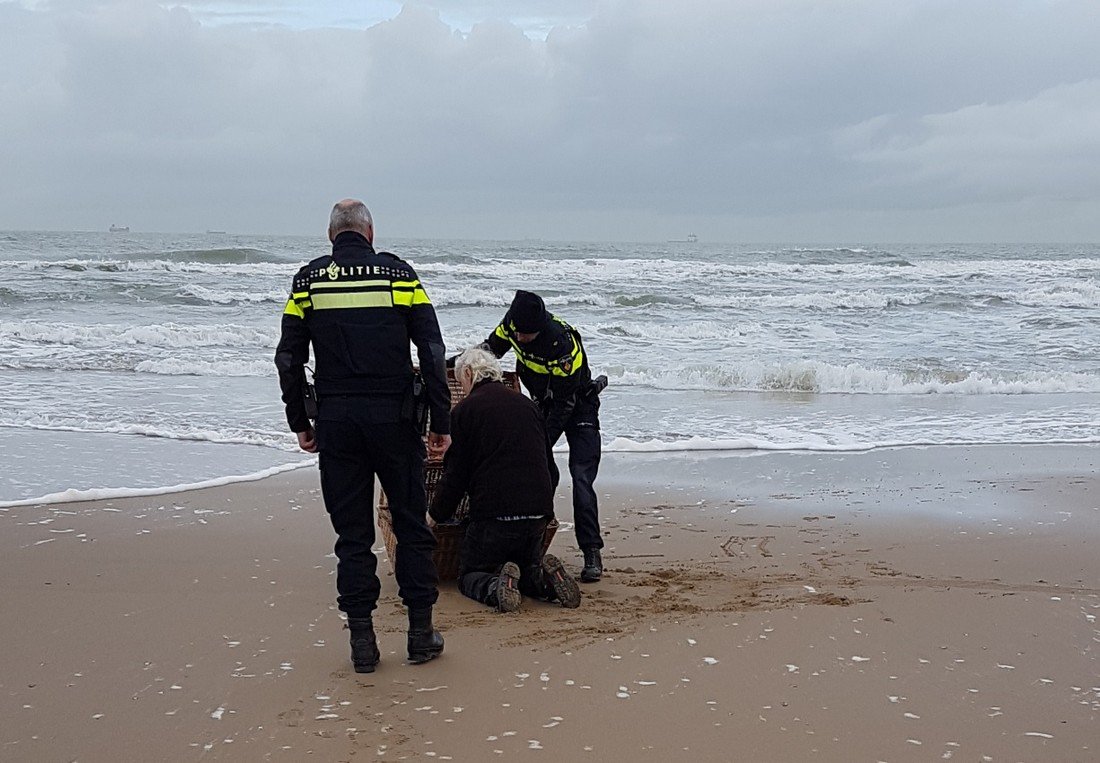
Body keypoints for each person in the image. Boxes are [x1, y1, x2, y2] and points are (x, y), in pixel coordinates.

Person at [275, 199, 451, 673]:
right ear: (370, 233)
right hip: (396, 422)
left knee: (351, 537)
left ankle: (363, 644)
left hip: (337, 425)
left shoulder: (309, 282)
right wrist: (441, 423)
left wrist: (300, 422)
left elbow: (288, 359)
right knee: (412, 527)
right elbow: (432, 353)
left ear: (330, 235)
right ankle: (419, 634)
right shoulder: (399, 277)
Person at [430, 347, 581, 611]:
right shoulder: (528, 406)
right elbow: (550, 470)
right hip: (537, 516)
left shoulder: (465, 411)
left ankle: (494, 587)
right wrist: (541, 510)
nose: (461, 387)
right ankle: (546, 582)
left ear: (468, 373)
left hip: (494, 518)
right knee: (525, 570)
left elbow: (456, 475)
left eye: (459, 380)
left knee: (469, 575)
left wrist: (434, 516)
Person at [475, 290, 606, 582]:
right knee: (539, 474)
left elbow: (565, 404)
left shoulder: (562, 342)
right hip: (544, 403)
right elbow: (488, 352)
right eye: (518, 333)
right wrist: (454, 364)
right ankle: (528, 548)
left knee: (581, 476)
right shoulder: (512, 324)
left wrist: (540, 442)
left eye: (527, 335)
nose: (520, 339)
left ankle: (591, 552)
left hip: (578, 406)